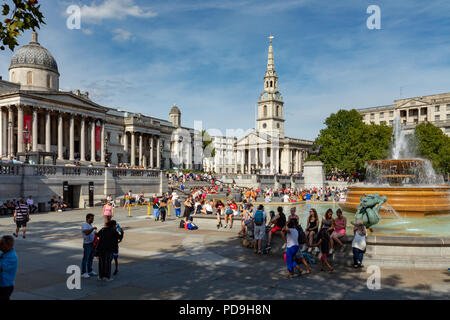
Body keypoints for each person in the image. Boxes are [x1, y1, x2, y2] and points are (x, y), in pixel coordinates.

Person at [0, 236, 18, 300]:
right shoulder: (4, 253)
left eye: (2, 243)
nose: (0, 244)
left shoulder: (12, 257)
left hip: (5, 287)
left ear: (9, 246)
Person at [81, 214, 98, 279]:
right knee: (85, 259)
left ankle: (90, 270)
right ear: (87, 218)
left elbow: (91, 233)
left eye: (93, 218)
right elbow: (86, 232)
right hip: (87, 244)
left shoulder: (90, 225)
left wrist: (95, 233)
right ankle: (83, 272)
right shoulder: (84, 224)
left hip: (92, 244)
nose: (93, 220)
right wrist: (92, 229)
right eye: (91, 218)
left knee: (91, 258)